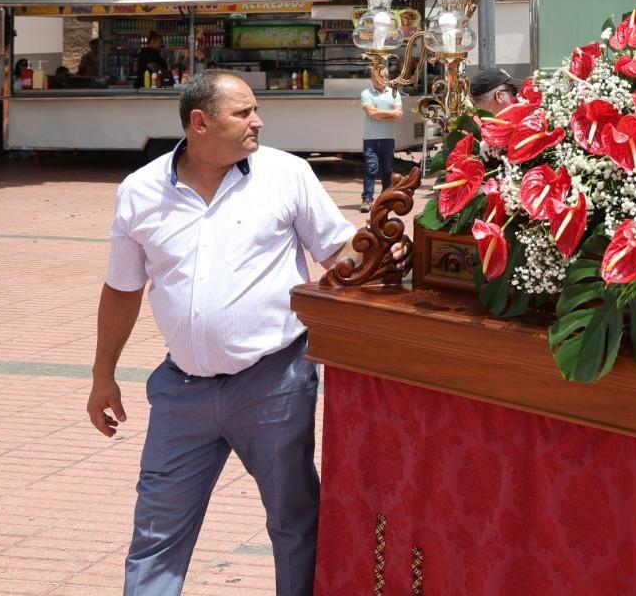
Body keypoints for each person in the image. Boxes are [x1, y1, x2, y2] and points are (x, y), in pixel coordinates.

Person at [88, 69, 369, 594]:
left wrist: (376, 250)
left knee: (294, 521)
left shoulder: (286, 174)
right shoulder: (140, 191)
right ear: (201, 122)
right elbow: (122, 290)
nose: (257, 121)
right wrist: (103, 376)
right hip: (182, 393)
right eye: (243, 112)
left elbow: (337, 252)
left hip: (275, 383)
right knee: (156, 530)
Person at [360, 67, 402, 210]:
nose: (380, 80)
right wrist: (390, 113)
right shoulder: (366, 93)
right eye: (377, 77)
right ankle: (367, 199)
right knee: (370, 168)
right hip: (371, 138)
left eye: (383, 76)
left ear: (388, 77)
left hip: (388, 137)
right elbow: (371, 113)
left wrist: (378, 113)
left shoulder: (394, 93)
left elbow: (399, 114)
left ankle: (386, 198)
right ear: (372, 78)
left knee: (387, 170)